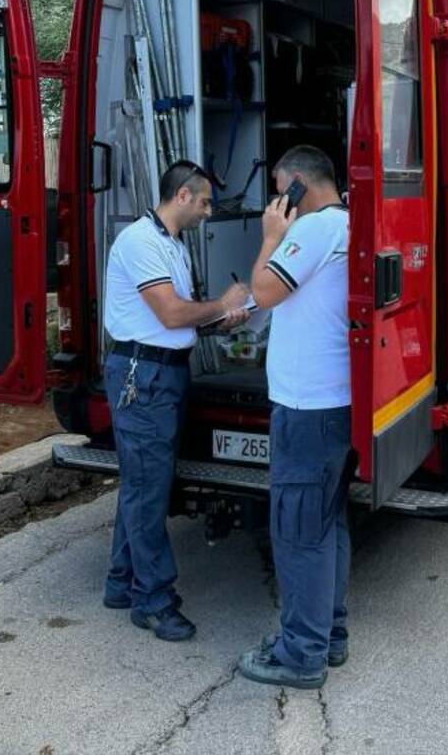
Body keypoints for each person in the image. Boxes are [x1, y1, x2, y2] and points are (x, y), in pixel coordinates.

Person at [102, 160, 251, 641]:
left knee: (142, 483)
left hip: (160, 373)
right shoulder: (141, 242)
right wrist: (224, 303)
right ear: (183, 196)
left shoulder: (170, 245)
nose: (209, 212)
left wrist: (221, 321)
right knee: (149, 490)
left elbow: (182, 319)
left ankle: (121, 582)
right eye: (205, 202)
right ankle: (153, 600)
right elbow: (169, 314)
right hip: (141, 376)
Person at [238, 145, 353, 689]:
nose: (279, 201)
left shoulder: (313, 230)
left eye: (283, 190)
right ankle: (328, 634)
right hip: (335, 403)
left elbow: (264, 292)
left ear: (299, 186)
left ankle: (300, 654)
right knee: (328, 524)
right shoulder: (349, 224)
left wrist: (269, 237)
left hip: (307, 408)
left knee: (299, 532)